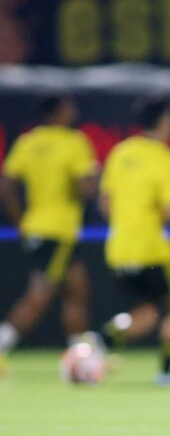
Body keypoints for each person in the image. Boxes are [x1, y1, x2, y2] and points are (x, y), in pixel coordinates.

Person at [99, 97, 170, 386]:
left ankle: (99, 342)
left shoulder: (120, 152)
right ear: (163, 121)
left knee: (145, 314)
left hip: (118, 248)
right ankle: (165, 372)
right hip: (152, 248)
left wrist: (127, 224)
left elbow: (104, 202)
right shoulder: (166, 159)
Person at [0, 95, 97, 373]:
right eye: (69, 108)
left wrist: (21, 222)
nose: (74, 111)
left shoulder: (28, 142)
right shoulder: (74, 142)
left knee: (77, 291)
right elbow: (85, 189)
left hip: (36, 229)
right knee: (38, 298)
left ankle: (82, 357)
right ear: (58, 113)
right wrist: (93, 178)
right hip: (59, 231)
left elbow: (5, 186)